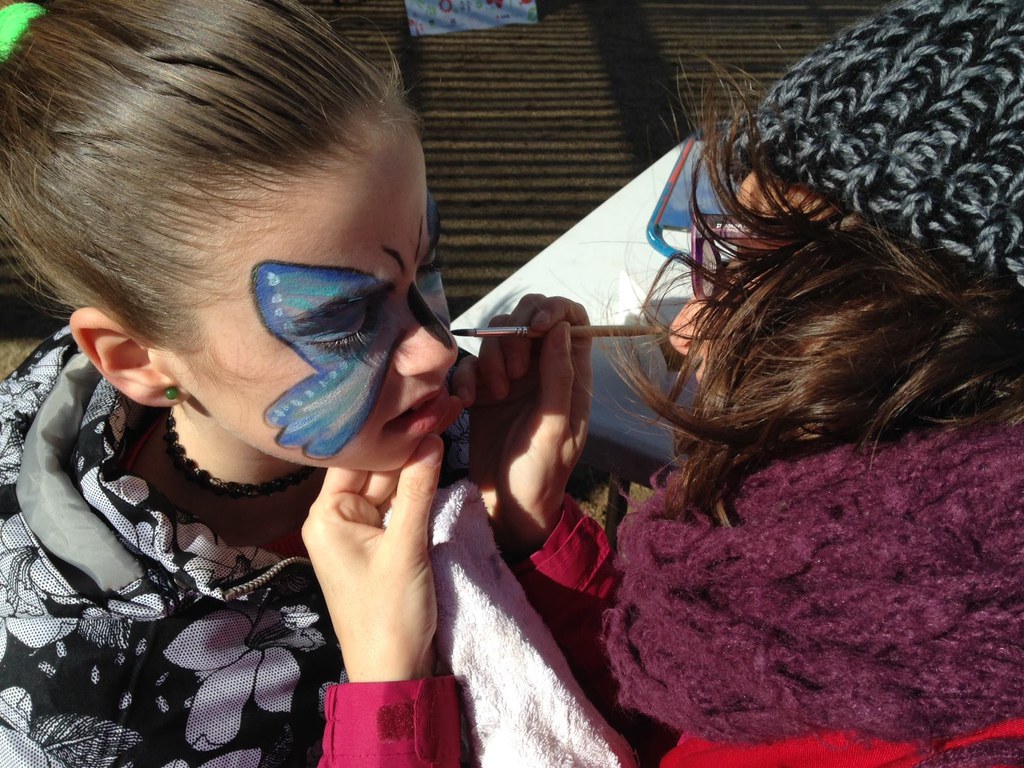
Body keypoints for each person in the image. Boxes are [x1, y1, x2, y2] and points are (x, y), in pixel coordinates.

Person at [323, 0, 1024, 765]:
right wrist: (525, 538)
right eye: (724, 254)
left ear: (974, 360)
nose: (685, 333)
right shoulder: (812, 592)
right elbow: (664, 729)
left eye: (780, 300)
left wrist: (388, 704)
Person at [0, 1, 596, 765]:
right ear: (139, 360)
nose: (438, 351)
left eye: (425, 263)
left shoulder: (432, 419)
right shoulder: (97, 699)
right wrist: (389, 689)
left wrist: (508, 530)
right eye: (343, 318)